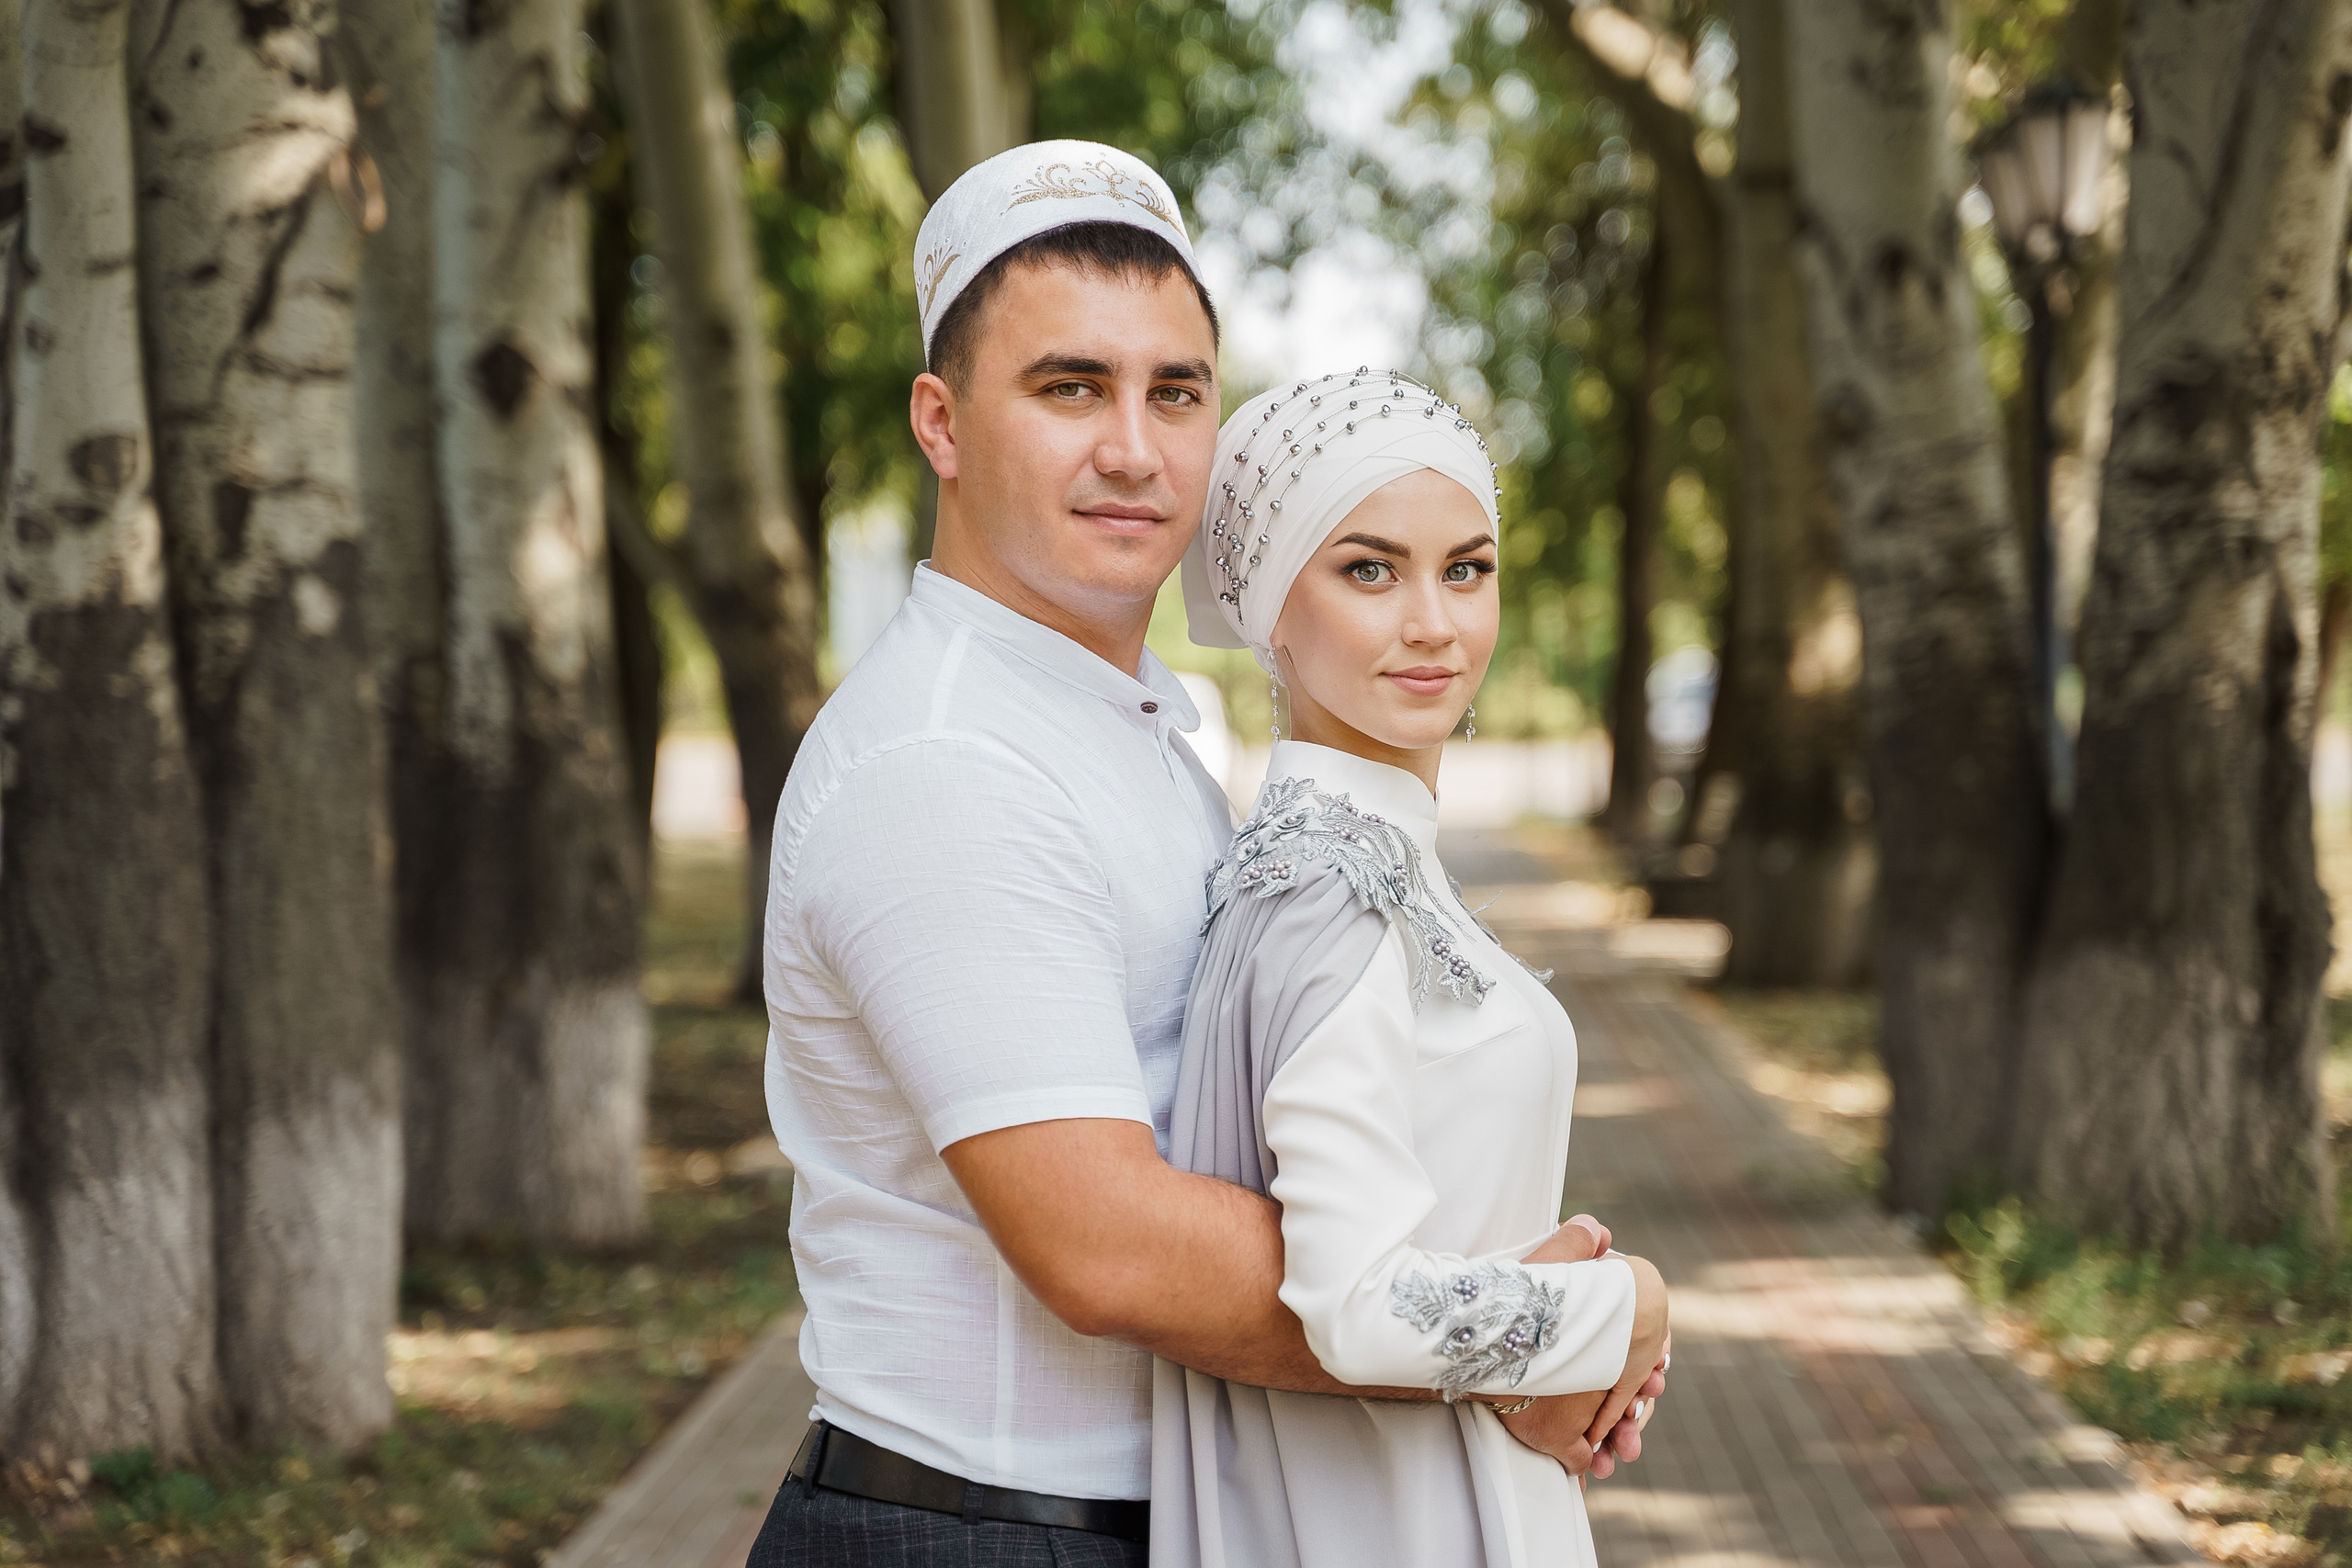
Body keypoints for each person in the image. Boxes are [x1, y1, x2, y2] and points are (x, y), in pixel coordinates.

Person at [750, 141, 1653, 1568]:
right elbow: (1105, 1246)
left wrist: (1492, 1337)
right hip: (986, 1533)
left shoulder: (1145, 731)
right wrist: (1525, 1332)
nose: (1133, 446)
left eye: (1175, 392)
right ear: (940, 420)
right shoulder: (946, 759)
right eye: (1069, 388)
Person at [1151, 371, 1671, 1567]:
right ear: (1273, 605)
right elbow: (1358, 1306)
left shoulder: (1362, 858)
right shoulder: (1324, 890)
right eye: (1370, 570)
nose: (1434, 622)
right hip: (1399, 1522)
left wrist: (1561, 1359)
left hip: (1458, 1491)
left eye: (1468, 568)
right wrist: (1624, 1312)